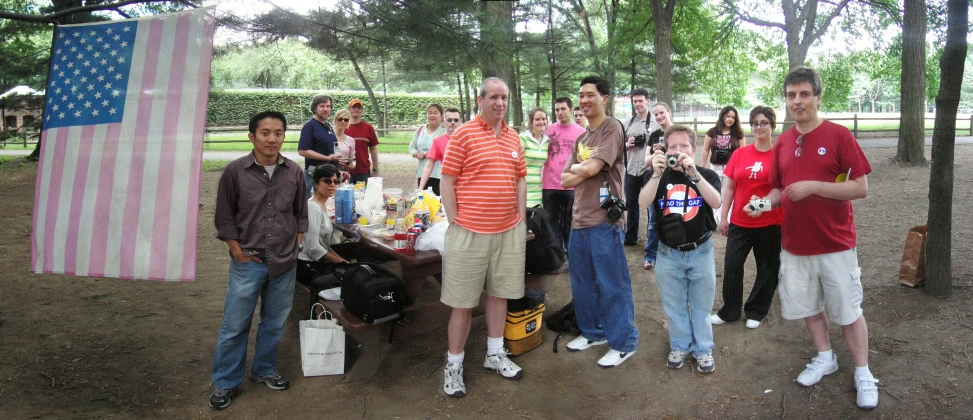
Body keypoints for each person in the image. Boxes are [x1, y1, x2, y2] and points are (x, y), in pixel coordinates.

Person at [754, 67, 878, 409]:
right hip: (794, 245)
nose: (797, 101)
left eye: (804, 94)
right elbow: (780, 189)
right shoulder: (783, 141)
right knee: (809, 308)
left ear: (817, 97)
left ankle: (864, 372)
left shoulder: (839, 136)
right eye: (791, 95)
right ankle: (826, 357)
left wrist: (815, 187)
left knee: (848, 311)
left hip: (836, 244)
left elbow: (860, 188)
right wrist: (763, 203)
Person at [210, 111, 308, 410]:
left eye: (278, 133)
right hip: (248, 262)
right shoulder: (235, 172)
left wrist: (296, 244)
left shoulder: (294, 172)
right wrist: (237, 251)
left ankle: (264, 369)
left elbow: (300, 214)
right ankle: (226, 382)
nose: (272, 138)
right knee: (235, 325)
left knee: (275, 323)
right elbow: (224, 218)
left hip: (284, 262)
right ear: (252, 137)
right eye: (265, 132)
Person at [439, 77, 528, 397]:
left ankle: (494, 354)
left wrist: (520, 218)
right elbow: (446, 181)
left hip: (508, 232)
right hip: (469, 233)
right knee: (462, 304)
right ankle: (454, 365)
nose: (499, 103)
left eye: (504, 97)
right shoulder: (463, 134)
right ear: (480, 100)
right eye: (493, 97)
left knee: (499, 295)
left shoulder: (513, 137)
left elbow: (520, 180)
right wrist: (456, 222)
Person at [560, 76, 639, 368]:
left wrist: (584, 168)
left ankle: (624, 342)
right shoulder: (581, 138)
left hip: (605, 220)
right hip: (579, 219)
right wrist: (586, 169)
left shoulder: (612, 128)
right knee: (582, 282)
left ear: (604, 98)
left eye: (590, 95)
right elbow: (564, 178)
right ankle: (594, 333)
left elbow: (593, 167)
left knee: (611, 283)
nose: (584, 100)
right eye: (581, 95)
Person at [638, 125, 721, 374]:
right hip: (668, 254)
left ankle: (703, 348)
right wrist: (655, 173)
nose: (677, 151)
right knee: (674, 305)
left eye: (683, 146)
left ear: (693, 150)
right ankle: (679, 345)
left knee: (702, 306)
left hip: (701, 251)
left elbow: (716, 201)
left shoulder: (704, 174)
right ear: (664, 149)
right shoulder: (658, 175)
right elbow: (643, 203)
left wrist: (694, 173)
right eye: (672, 146)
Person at [709, 106, 783, 330]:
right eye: (755, 123)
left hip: (769, 223)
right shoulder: (741, 153)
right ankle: (730, 310)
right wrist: (724, 216)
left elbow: (781, 189)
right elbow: (729, 186)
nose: (759, 127)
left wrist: (763, 206)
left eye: (764, 123)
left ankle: (756, 310)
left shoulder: (779, 156)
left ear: (772, 126)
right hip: (740, 222)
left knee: (767, 269)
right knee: (732, 266)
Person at [543, 97, 585, 252]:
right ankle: (556, 258)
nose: (559, 113)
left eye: (563, 109)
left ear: (571, 110)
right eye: (556, 110)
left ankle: (571, 254)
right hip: (549, 184)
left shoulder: (581, 132)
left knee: (569, 222)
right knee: (551, 223)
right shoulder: (548, 130)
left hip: (571, 185)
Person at [622, 88, 660, 247]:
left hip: (649, 170)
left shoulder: (656, 123)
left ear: (648, 101)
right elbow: (618, 147)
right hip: (631, 169)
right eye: (635, 101)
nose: (637, 104)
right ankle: (630, 238)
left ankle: (653, 240)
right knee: (631, 205)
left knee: (652, 207)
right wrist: (627, 144)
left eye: (640, 101)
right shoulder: (627, 123)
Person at [641, 102, 673, 270]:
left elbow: (686, 154)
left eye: (662, 113)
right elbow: (645, 162)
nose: (659, 116)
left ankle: (671, 253)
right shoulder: (654, 135)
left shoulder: (679, 132)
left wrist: (669, 150)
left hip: (675, 182)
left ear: (669, 112)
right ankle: (651, 255)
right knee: (653, 221)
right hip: (656, 181)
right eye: (656, 114)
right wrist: (656, 153)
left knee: (674, 216)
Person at [701, 106, 745, 224]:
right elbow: (705, 150)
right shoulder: (712, 132)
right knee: (714, 192)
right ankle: (713, 220)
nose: (730, 119)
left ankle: (726, 219)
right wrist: (702, 167)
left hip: (731, 169)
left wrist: (741, 169)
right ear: (722, 116)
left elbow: (743, 152)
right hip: (715, 167)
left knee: (727, 193)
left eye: (733, 117)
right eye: (728, 116)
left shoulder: (738, 134)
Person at [298, 94, 343, 198]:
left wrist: (337, 160)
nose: (325, 109)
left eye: (328, 106)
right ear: (314, 108)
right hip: (315, 178)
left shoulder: (328, 126)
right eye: (322, 106)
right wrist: (328, 158)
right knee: (314, 209)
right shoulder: (310, 126)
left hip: (330, 177)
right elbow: (302, 150)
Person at [419, 108, 463, 193]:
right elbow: (429, 166)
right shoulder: (438, 141)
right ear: (444, 122)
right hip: (448, 186)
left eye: (456, 120)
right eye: (449, 120)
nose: (453, 122)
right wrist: (420, 189)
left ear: (460, 122)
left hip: (466, 186)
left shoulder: (467, 140)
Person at [408, 103, 447, 192]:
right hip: (422, 174)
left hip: (439, 174)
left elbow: (448, 150)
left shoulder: (445, 130)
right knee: (424, 201)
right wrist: (416, 154)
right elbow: (411, 147)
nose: (432, 115)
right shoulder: (420, 129)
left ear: (442, 116)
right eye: (429, 113)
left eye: (435, 113)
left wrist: (431, 154)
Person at [345, 98, 381, 184]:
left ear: (362, 110)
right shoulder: (343, 127)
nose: (356, 109)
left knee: (363, 195)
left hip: (363, 171)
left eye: (359, 107)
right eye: (354, 107)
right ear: (349, 109)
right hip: (346, 171)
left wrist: (375, 169)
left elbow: (373, 150)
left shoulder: (368, 128)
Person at [519, 108, 549, 208]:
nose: (541, 122)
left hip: (539, 192)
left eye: (544, 119)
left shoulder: (547, 141)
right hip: (523, 190)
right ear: (531, 122)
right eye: (537, 119)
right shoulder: (522, 138)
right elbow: (515, 165)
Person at [332, 109, 356, 178]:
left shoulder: (350, 140)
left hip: (343, 176)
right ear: (335, 120)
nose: (343, 121)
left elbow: (353, 162)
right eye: (340, 119)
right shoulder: (327, 136)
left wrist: (347, 162)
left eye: (346, 120)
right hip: (328, 175)